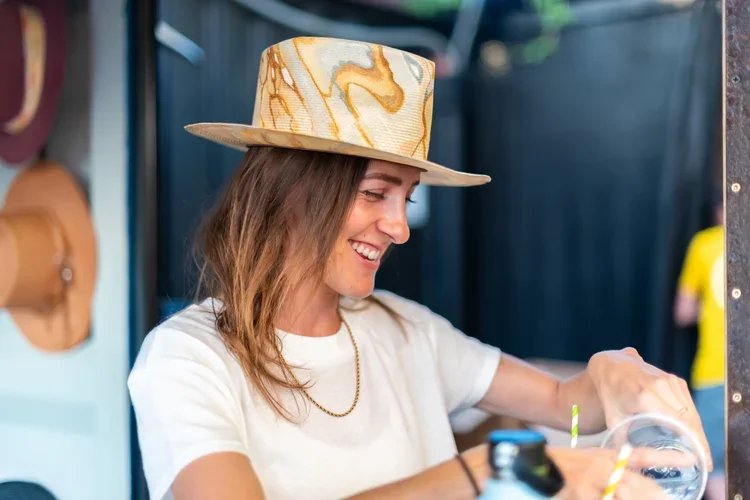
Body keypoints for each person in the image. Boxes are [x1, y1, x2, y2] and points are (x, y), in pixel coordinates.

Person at [129, 37, 710, 500]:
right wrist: (475, 474)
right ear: (292, 193)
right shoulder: (189, 357)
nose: (399, 228)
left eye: (405, 199)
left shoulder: (409, 332)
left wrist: (607, 376)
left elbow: (567, 409)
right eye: (375, 193)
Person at [674, 189, 725, 500]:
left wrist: (707, 307)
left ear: (720, 210)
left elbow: (683, 313)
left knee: (712, 462)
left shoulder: (705, 244)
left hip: (714, 372)